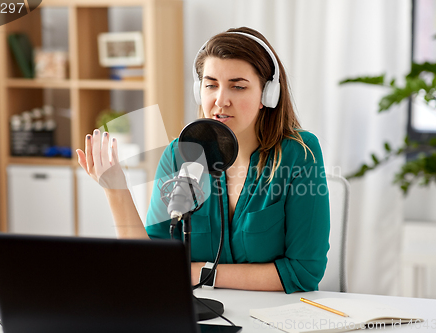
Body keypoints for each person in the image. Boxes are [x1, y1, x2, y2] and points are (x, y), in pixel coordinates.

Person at [77, 27, 330, 294]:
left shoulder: (300, 153)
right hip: (195, 315)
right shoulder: (179, 154)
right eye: (211, 85)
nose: (220, 100)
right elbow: (150, 264)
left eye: (238, 86)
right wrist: (115, 188)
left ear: (267, 95)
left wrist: (196, 272)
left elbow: (303, 273)